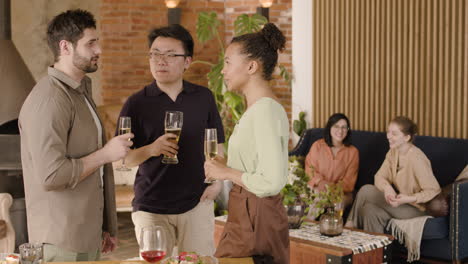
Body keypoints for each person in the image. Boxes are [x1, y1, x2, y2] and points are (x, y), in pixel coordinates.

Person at [19, 9, 133, 262]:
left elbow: (98, 175)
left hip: (86, 235)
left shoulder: (80, 92)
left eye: (98, 41)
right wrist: (106, 154)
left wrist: (106, 227)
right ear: (65, 47)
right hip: (60, 242)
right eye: (90, 43)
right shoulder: (49, 100)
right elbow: (51, 175)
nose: (99, 50)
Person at [119, 24, 225, 257]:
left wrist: (218, 183)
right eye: (155, 54)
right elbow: (124, 159)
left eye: (169, 55)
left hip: (197, 201)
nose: (160, 61)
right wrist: (152, 149)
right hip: (151, 206)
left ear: (187, 61)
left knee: (201, 263)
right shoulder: (136, 103)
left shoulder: (203, 97)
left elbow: (216, 144)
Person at [204, 23, 290, 264]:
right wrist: (226, 166)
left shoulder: (265, 111)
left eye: (228, 62)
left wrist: (226, 172)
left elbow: (271, 181)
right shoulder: (259, 109)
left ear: (252, 66)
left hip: (256, 212)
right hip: (248, 209)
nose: (223, 71)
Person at [345, 116, 441, 233]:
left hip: (416, 210)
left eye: (394, 133)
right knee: (369, 210)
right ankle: (376, 250)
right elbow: (379, 176)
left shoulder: (417, 159)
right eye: (388, 132)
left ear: (406, 137)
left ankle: (349, 226)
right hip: (400, 204)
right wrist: (387, 188)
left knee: (366, 190)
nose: (388, 136)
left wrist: (408, 199)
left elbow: (434, 190)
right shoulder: (393, 152)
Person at [305, 113, 359, 208]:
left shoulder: (353, 152)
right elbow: (310, 170)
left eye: (344, 127)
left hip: (340, 193)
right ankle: (309, 222)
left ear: (348, 130)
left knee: (340, 203)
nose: (340, 131)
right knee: (316, 197)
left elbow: (349, 182)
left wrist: (330, 188)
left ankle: (330, 221)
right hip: (316, 188)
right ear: (329, 128)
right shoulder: (317, 146)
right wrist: (320, 182)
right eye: (336, 126)